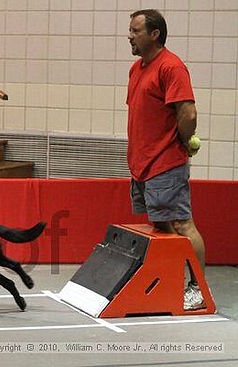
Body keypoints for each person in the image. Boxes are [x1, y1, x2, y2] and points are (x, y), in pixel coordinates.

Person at [126, 9, 205, 310]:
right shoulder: (136, 69)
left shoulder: (171, 67)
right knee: (161, 226)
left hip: (165, 162)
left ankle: (198, 289)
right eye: (131, 30)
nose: (129, 36)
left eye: (135, 31)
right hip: (142, 165)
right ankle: (172, 281)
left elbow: (188, 113)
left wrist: (183, 142)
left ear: (154, 34)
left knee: (182, 223)